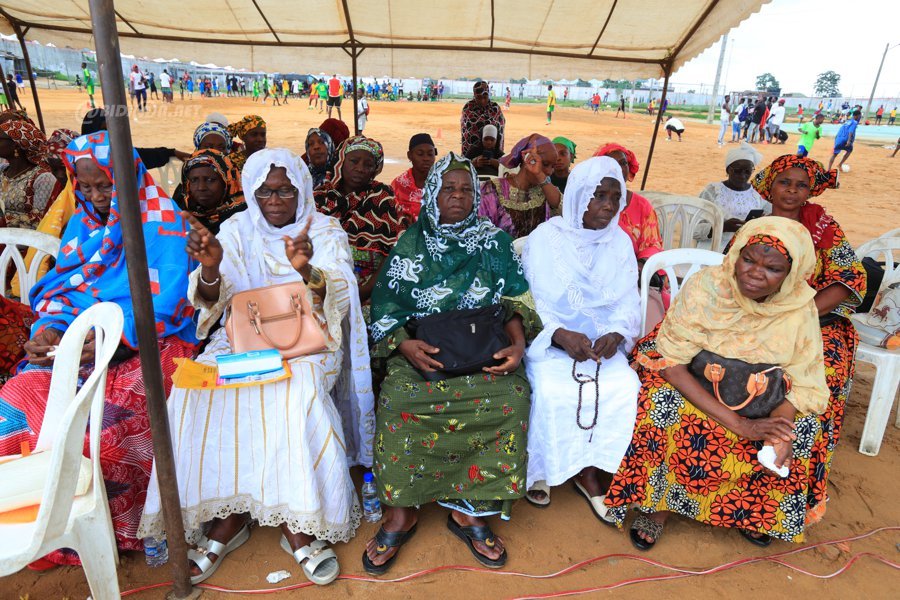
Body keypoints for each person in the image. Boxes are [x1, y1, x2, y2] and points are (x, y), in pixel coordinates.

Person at [138, 148, 373, 586]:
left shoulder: (323, 229)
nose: (275, 200)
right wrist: (210, 268)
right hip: (243, 338)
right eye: (265, 192)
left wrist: (307, 270)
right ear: (250, 192)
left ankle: (297, 523)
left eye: (285, 190)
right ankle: (231, 514)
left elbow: (339, 294)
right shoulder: (236, 229)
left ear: (301, 189)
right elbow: (212, 298)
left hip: (309, 341)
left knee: (296, 390)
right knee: (193, 391)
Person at [0, 132, 198, 566]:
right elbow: (62, 291)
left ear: (129, 177)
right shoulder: (82, 226)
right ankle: (41, 531)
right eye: (85, 187)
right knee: (12, 405)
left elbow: (170, 302)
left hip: (151, 342)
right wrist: (51, 330)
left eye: (106, 185)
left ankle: (123, 532)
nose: (96, 196)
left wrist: (114, 339)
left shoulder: (165, 224)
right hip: (80, 345)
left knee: (104, 429)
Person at [604, 217, 830, 549]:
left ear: (791, 274)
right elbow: (672, 366)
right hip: (695, 379)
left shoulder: (798, 307)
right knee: (662, 405)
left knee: (804, 427)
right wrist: (741, 425)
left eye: (773, 268)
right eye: (748, 259)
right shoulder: (706, 288)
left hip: (762, 392)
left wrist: (778, 432)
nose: (755, 273)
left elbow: (804, 378)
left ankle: (756, 511)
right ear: (736, 254)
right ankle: (659, 506)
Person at [363, 152, 539, 574]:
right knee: (398, 398)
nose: (457, 196)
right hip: (425, 353)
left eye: (465, 189)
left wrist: (517, 347)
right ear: (432, 195)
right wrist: (404, 345)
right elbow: (383, 308)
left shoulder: (494, 242)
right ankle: (402, 512)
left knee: (513, 395)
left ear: (476, 195)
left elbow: (515, 301)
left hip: (483, 349)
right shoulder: (411, 243)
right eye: (448, 189)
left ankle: (468, 509)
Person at [750, 155, 866, 526]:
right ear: (770, 186)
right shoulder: (755, 226)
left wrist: (796, 315)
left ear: (810, 191)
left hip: (817, 322)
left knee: (816, 383)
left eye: (801, 185)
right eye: (785, 182)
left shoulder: (825, 228)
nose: (792, 191)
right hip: (757, 320)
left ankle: (791, 497)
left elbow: (849, 279)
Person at [522, 156, 641, 512]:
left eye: (615, 197)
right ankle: (543, 469)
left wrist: (616, 334)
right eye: (599, 196)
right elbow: (531, 302)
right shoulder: (545, 238)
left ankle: (593, 469)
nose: (608, 206)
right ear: (577, 196)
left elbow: (628, 302)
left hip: (602, 347)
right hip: (550, 345)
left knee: (626, 387)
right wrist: (560, 334)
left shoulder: (620, 242)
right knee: (549, 390)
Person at [314, 136, 409, 304]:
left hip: (369, 292)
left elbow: (399, 248)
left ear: (375, 169)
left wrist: (364, 291)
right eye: (354, 161)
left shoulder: (382, 196)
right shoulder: (319, 198)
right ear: (341, 161)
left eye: (368, 165)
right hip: (320, 287)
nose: (360, 169)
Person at [592, 143, 663, 271]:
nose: (618, 168)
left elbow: (653, 244)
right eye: (612, 163)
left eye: (623, 163)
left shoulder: (642, 206)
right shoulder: (590, 201)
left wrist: (639, 266)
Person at [478, 134, 560, 238]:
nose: (549, 172)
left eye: (553, 166)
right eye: (545, 164)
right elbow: (480, 232)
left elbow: (564, 209)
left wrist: (540, 176)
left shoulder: (546, 190)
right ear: (527, 158)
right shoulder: (492, 190)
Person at [698, 142, 768, 249]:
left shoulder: (757, 194)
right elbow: (694, 228)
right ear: (728, 169)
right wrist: (722, 227)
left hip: (744, 249)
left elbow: (770, 218)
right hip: (713, 248)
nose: (743, 176)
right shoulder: (713, 191)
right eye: (737, 171)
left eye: (748, 171)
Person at [0, 119, 56, 229]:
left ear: (16, 145)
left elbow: (40, 220)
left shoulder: (43, 178)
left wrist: (4, 220)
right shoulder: (2, 170)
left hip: (25, 238)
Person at [174, 148, 245, 234]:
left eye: (210, 180)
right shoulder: (179, 208)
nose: (201, 187)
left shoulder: (244, 215)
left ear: (226, 182)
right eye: (194, 180)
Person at [391, 133, 437, 222]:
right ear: (409, 155)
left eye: (430, 154)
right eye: (420, 154)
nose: (426, 158)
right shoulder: (398, 184)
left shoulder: (443, 182)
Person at [461, 81, 506, 159]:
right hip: (472, 153)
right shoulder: (468, 108)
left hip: (493, 153)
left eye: (485, 97)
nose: (482, 101)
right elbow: (467, 131)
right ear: (474, 95)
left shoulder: (495, 108)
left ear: (488, 95)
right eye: (478, 98)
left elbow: (500, 130)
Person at [302, 118, 350, 189]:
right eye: (311, 144)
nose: (316, 147)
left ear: (332, 145)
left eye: (322, 142)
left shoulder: (344, 178)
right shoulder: (299, 172)